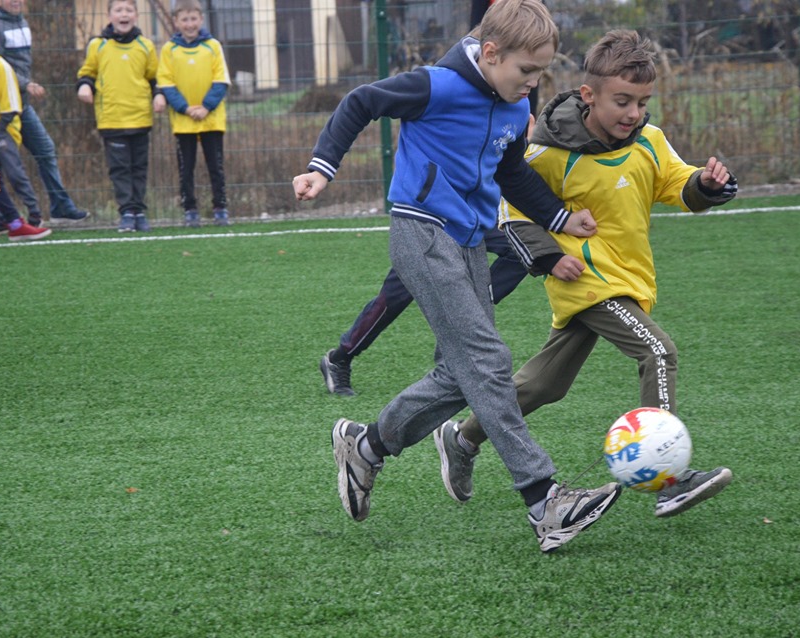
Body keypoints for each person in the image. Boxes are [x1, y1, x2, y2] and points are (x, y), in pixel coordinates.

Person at [293, 0, 622, 554]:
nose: (533, 84)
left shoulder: (517, 108)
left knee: (457, 374)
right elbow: (360, 102)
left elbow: (511, 170)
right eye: (526, 71)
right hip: (421, 232)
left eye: (541, 72)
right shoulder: (437, 86)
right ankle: (546, 501)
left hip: (468, 240)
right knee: (488, 360)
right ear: (490, 54)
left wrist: (559, 218)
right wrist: (322, 166)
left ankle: (365, 447)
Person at [433, 29, 737, 520]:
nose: (633, 113)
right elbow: (510, 207)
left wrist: (705, 184)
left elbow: (679, 184)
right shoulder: (551, 153)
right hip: (587, 282)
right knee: (658, 352)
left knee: (544, 384)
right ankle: (670, 480)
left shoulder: (650, 142)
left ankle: (462, 437)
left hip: (629, 281)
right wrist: (550, 258)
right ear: (589, 96)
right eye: (622, 101)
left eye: (642, 102)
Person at [319, 228, 528, 396]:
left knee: (521, 249)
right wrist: (322, 172)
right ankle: (340, 358)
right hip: (427, 219)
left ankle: (470, 307)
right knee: (393, 299)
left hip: (472, 212)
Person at [0, 0, 89, 224]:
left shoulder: (22, 22)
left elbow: (18, 64)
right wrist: (25, 83)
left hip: (21, 103)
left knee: (44, 149)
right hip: (1, 110)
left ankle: (59, 206)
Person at [76, 0, 161, 233]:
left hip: (140, 118)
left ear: (136, 15)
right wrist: (84, 86)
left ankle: (139, 211)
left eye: (129, 10)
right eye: (119, 10)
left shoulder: (145, 46)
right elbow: (87, 73)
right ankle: (127, 212)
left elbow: (154, 77)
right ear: (109, 15)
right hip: (111, 119)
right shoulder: (98, 45)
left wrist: (158, 95)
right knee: (120, 168)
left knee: (139, 167)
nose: (124, 15)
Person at [0, 25, 49, 241]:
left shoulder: (0, 66)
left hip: (1, 131)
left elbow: (12, 102)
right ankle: (2, 218)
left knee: (16, 174)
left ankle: (34, 214)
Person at [155, 0, 232, 228]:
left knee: (215, 167)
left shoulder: (213, 46)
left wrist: (206, 107)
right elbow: (166, 83)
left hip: (211, 120)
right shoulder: (170, 49)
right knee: (185, 168)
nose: (189, 24)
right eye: (184, 20)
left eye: (193, 19)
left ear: (201, 19)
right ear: (176, 21)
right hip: (183, 121)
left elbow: (221, 80)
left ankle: (220, 207)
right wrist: (186, 108)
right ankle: (190, 209)